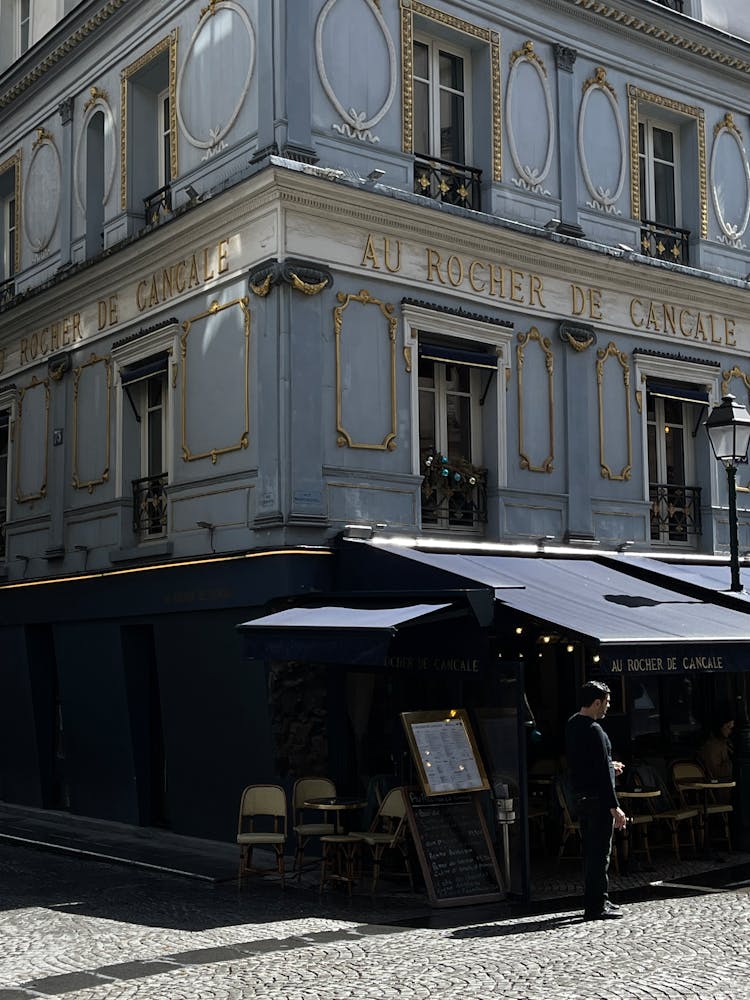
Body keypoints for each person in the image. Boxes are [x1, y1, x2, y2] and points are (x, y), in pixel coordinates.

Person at [565, 680, 627, 921]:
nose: (608, 707)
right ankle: (597, 905)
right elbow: (600, 771)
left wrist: (610, 767)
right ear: (597, 702)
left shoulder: (572, 725)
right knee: (601, 853)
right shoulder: (594, 730)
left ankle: (598, 899)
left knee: (590, 851)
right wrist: (615, 807)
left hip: (581, 797)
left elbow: (585, 764)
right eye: (607, 702)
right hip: (599, 800)